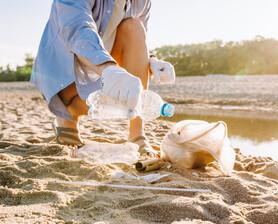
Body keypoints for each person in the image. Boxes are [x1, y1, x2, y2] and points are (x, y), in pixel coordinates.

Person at [31, 0, 175, 157]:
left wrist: (152, 61)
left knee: (135, 27)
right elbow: (78, 31)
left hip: (103, 72)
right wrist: (109, 70)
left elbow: (139, 39)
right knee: (106, 76)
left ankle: (137, 134)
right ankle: (67, 113)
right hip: (64, 71)